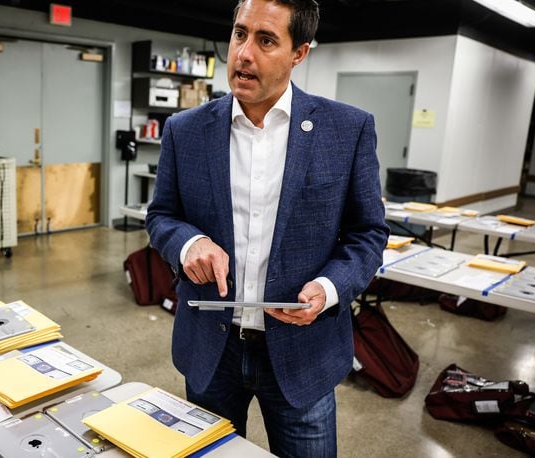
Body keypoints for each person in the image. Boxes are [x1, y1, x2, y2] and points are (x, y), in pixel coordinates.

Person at [145, 0, 389, 455]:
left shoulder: (347, 130)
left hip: (303, 352)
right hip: (210, 348)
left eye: (266, 40)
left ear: (300, 53)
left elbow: (368, 234)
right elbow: (160, 216)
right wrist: (188, 244)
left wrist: (329, 288)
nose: (243, 53)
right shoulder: (185, 130)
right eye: (239, 34)